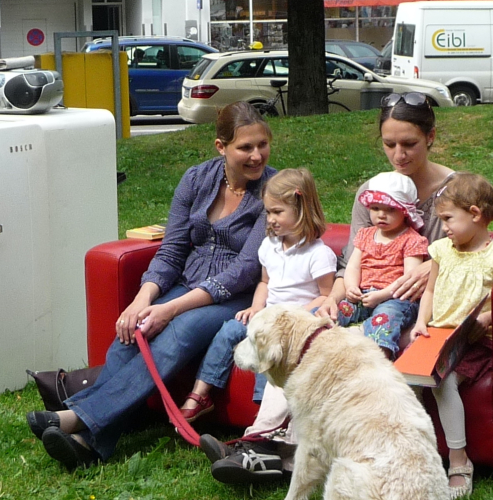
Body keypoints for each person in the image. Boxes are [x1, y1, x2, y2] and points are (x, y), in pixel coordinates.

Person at [207, 92, 457, 483]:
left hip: (420, 302)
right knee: (302, 340)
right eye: (389, 144)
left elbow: (464, 255)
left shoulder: (453, 191)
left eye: (409, 144)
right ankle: (269, 442)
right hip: (364, 294)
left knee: (367, 341)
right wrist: (330, 301)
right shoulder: (371, 193)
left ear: (431, 137)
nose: (399, 155)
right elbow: (355, 259)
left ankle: (275, 452)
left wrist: (430, 271)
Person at [25, 101, 276, 470]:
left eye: (262, 146)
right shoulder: (196, 179)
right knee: (133, 332)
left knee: (180, 330)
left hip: (236, 297)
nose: (257, 156)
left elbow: (243, 270)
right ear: (221, 147)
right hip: (187, 284)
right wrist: (142, 301)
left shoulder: (272, 188)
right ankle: (91, 443)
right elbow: (172, 249)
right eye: (245, 148)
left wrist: (170, 308)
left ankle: (76, 418)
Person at [177, 168, 336, 423]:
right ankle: (201, 394)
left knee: (268, 350)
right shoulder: (269, 245)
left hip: (292, 324)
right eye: (268, 212)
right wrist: (255, 307)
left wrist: (294, 316)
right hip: (266, 315)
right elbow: (265, 282)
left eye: (277, 212)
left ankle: (265, 416)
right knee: (229, 330)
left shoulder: (318, 254)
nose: (270, 219)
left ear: (301, 209)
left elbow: (326, 296)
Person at [409, 172, 493, 497]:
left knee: (445, 382)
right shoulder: (442, 250)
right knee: (406, 381)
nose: (443, 227)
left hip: (473, 342)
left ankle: (459, 462)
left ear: (474, 214)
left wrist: (485, 317)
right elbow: (429, 291)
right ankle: (419, 456)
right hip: (436, 335)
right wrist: (420, 322)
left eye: (447, 219)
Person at [334, 171, 429, 360]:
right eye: (375, 208)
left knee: (385, 319)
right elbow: (353, 267)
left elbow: (408, 280)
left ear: (405, 211)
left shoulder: (412, 240)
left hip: (396, 298)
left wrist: (381, 296)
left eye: (390, 209)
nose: (381, 215)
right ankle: (320, 341)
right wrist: (351, 287)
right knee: (339, 311)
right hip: (363, 294)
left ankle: (378, 359)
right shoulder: (365, 235)